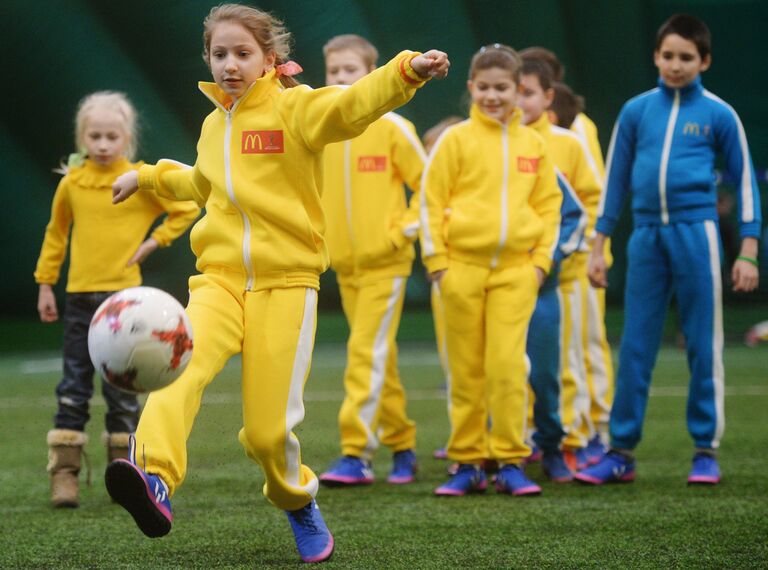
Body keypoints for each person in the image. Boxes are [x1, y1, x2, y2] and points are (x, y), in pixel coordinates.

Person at [106, 3, 449, 563]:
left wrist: (405, 70)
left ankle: (296, 499)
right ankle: (156, 479)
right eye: (220, 54)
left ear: (270, 60)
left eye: (242, 54)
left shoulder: (298, 112)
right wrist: (143, 175)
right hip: (216, 281)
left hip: (287, 285)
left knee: (267, 436)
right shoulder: (214, 125)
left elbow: (354, 105)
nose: (229, 65)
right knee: (175, 373)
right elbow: (199, 184)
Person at [577, 14, 761, 486]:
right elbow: (614, 180)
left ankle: (705, 450)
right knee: (636, 345)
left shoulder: (720, 114)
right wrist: (599, 245)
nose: (675, 65)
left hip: (696, 234)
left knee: (703, 341)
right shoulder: (637, 111)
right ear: (656, 56)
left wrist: (747, 250)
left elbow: (745, 186)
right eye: (667, 56)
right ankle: (621, 451)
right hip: (645, 237)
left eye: (686, 57)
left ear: (704, 61)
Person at [34, 91, 199, 509]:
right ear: (82, 138)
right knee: (72, 387)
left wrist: (154, 242)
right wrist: (45, 283)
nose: (103, 144)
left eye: (112, 136)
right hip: (79, 302)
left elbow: (187, 207)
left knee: (123, 392)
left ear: (127, 139)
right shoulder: (72, 183)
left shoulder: (140, 179)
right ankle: (65, 475)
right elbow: (56, 235)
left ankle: (122, 474)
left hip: (126, 307)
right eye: (95, 136)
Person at [420, 44, 561, 497]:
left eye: (502, 88)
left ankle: (510, 459)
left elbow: (549, 207)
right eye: (484, 88)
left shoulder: (535, 145)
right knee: (465, 371)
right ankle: (467, 461)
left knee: (506, 368)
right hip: (460, 271)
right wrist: (439, 264)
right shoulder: (455, 141)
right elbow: (430, 202)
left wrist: (539, 264)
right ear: (471, 88)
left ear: (519, 90)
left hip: (517, 275)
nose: (493, 96)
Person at [317, 34, 425, 487]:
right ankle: (402, 446)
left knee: (364, 352)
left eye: (350, 71)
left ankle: (356, 452)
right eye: (334, 71)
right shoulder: (321, 128)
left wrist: (401, 229)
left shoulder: (394, 128)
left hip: (387, 264)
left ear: (372, 75)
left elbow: (431, 185)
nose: (341, 79)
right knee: (381, 356)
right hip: (345, 266)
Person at [522, 47, 614, 465]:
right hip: (522, 273)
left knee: (581, 349)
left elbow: (592, 199)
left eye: (527, 90)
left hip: (573, 269)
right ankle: (533, 434)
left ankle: (590, 430)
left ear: (549, 93)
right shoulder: (504, 141)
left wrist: (591, 251)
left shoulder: (574, 136)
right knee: (530, 360)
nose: (518, 99)